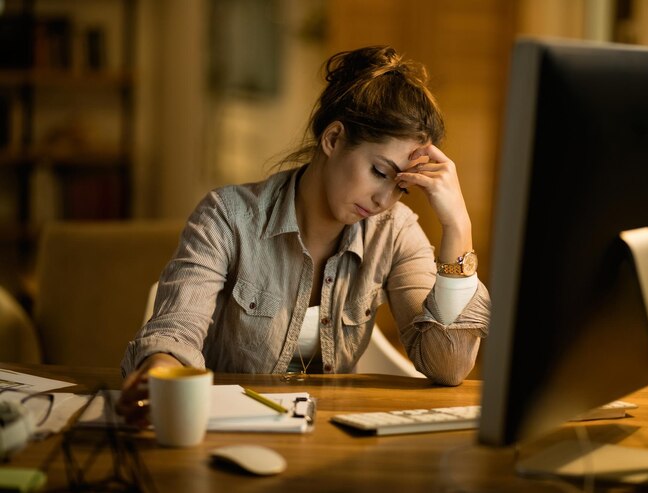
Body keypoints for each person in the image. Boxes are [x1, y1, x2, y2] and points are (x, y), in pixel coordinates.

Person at [116, 45, 490, 426]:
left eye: (401, 187)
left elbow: (448, 367)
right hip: (226, 430)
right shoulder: (227, 217)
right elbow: (176, 330)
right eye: (379, 172)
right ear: (333, 139)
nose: (384, 199)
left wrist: (458, 226)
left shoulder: (395, 230)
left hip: (331, 437)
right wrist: (158, 371)